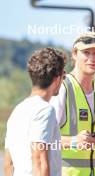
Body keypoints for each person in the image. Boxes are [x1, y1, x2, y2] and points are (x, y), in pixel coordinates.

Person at [50, 32, 95, 176]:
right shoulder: (62, 88)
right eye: (86, 52)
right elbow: (42, 139)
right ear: (74, 54)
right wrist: (73, 142)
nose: (92, 58)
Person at [4, 48, 66, 176]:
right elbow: (39, 160)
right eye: (63, 76)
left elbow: (8, 165)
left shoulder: (17, 111)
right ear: (56, 79)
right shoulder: (44, 110)